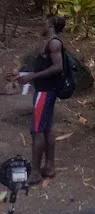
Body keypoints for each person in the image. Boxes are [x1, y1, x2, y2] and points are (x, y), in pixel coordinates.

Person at [5, 15, 65, 185]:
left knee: (37, 130)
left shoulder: (54, 43)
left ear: (51, 25)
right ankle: (50, 166)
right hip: (46, 90)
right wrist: (22, 74)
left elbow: (57, 67)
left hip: (44, 92)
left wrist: (32, 77)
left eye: (45, 23)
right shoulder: (50, 42)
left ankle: (36, 172)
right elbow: (43, 66)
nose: (42, 25)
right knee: (47, 128)